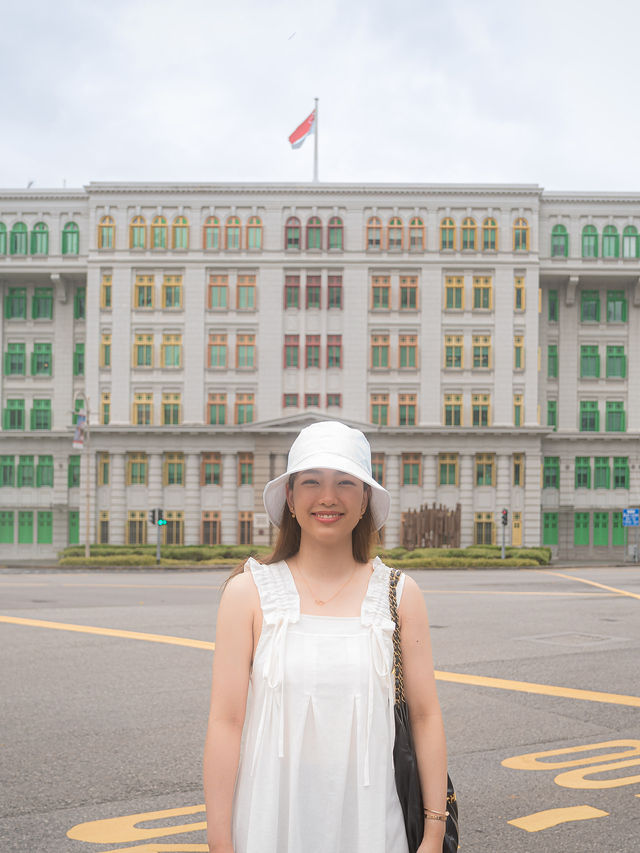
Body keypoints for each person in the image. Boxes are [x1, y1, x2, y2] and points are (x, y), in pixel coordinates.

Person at [203, 421, 448, 853]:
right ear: (291, 499)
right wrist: (220, 840)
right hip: (269, 822)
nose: (328, 497)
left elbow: (425, 716)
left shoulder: (398, 594)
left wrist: (433, 832)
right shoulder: (249, 593)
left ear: (365, 499)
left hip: (374, 823)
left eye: (345, 482)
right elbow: (227, 722)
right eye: (311, 481)